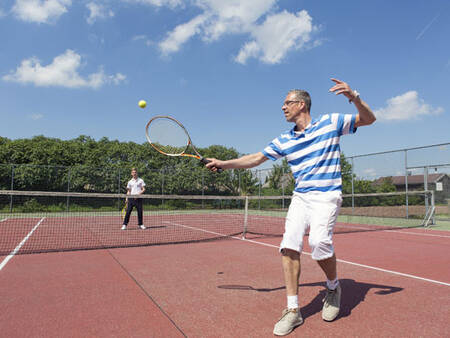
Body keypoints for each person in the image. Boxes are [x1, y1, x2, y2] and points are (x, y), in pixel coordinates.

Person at [206, 78, 376, 336]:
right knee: (289, 247)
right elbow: (255, 159)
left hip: (327, 195)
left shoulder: (330, 122)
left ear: (301, 104)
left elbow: (368, 119)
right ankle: (293, 310)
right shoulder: (284, 139)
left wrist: (354, 97)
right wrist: (223, 163)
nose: (283, 107)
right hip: (301, 197)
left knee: (319, 244)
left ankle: (332, 287)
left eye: (287, 103)